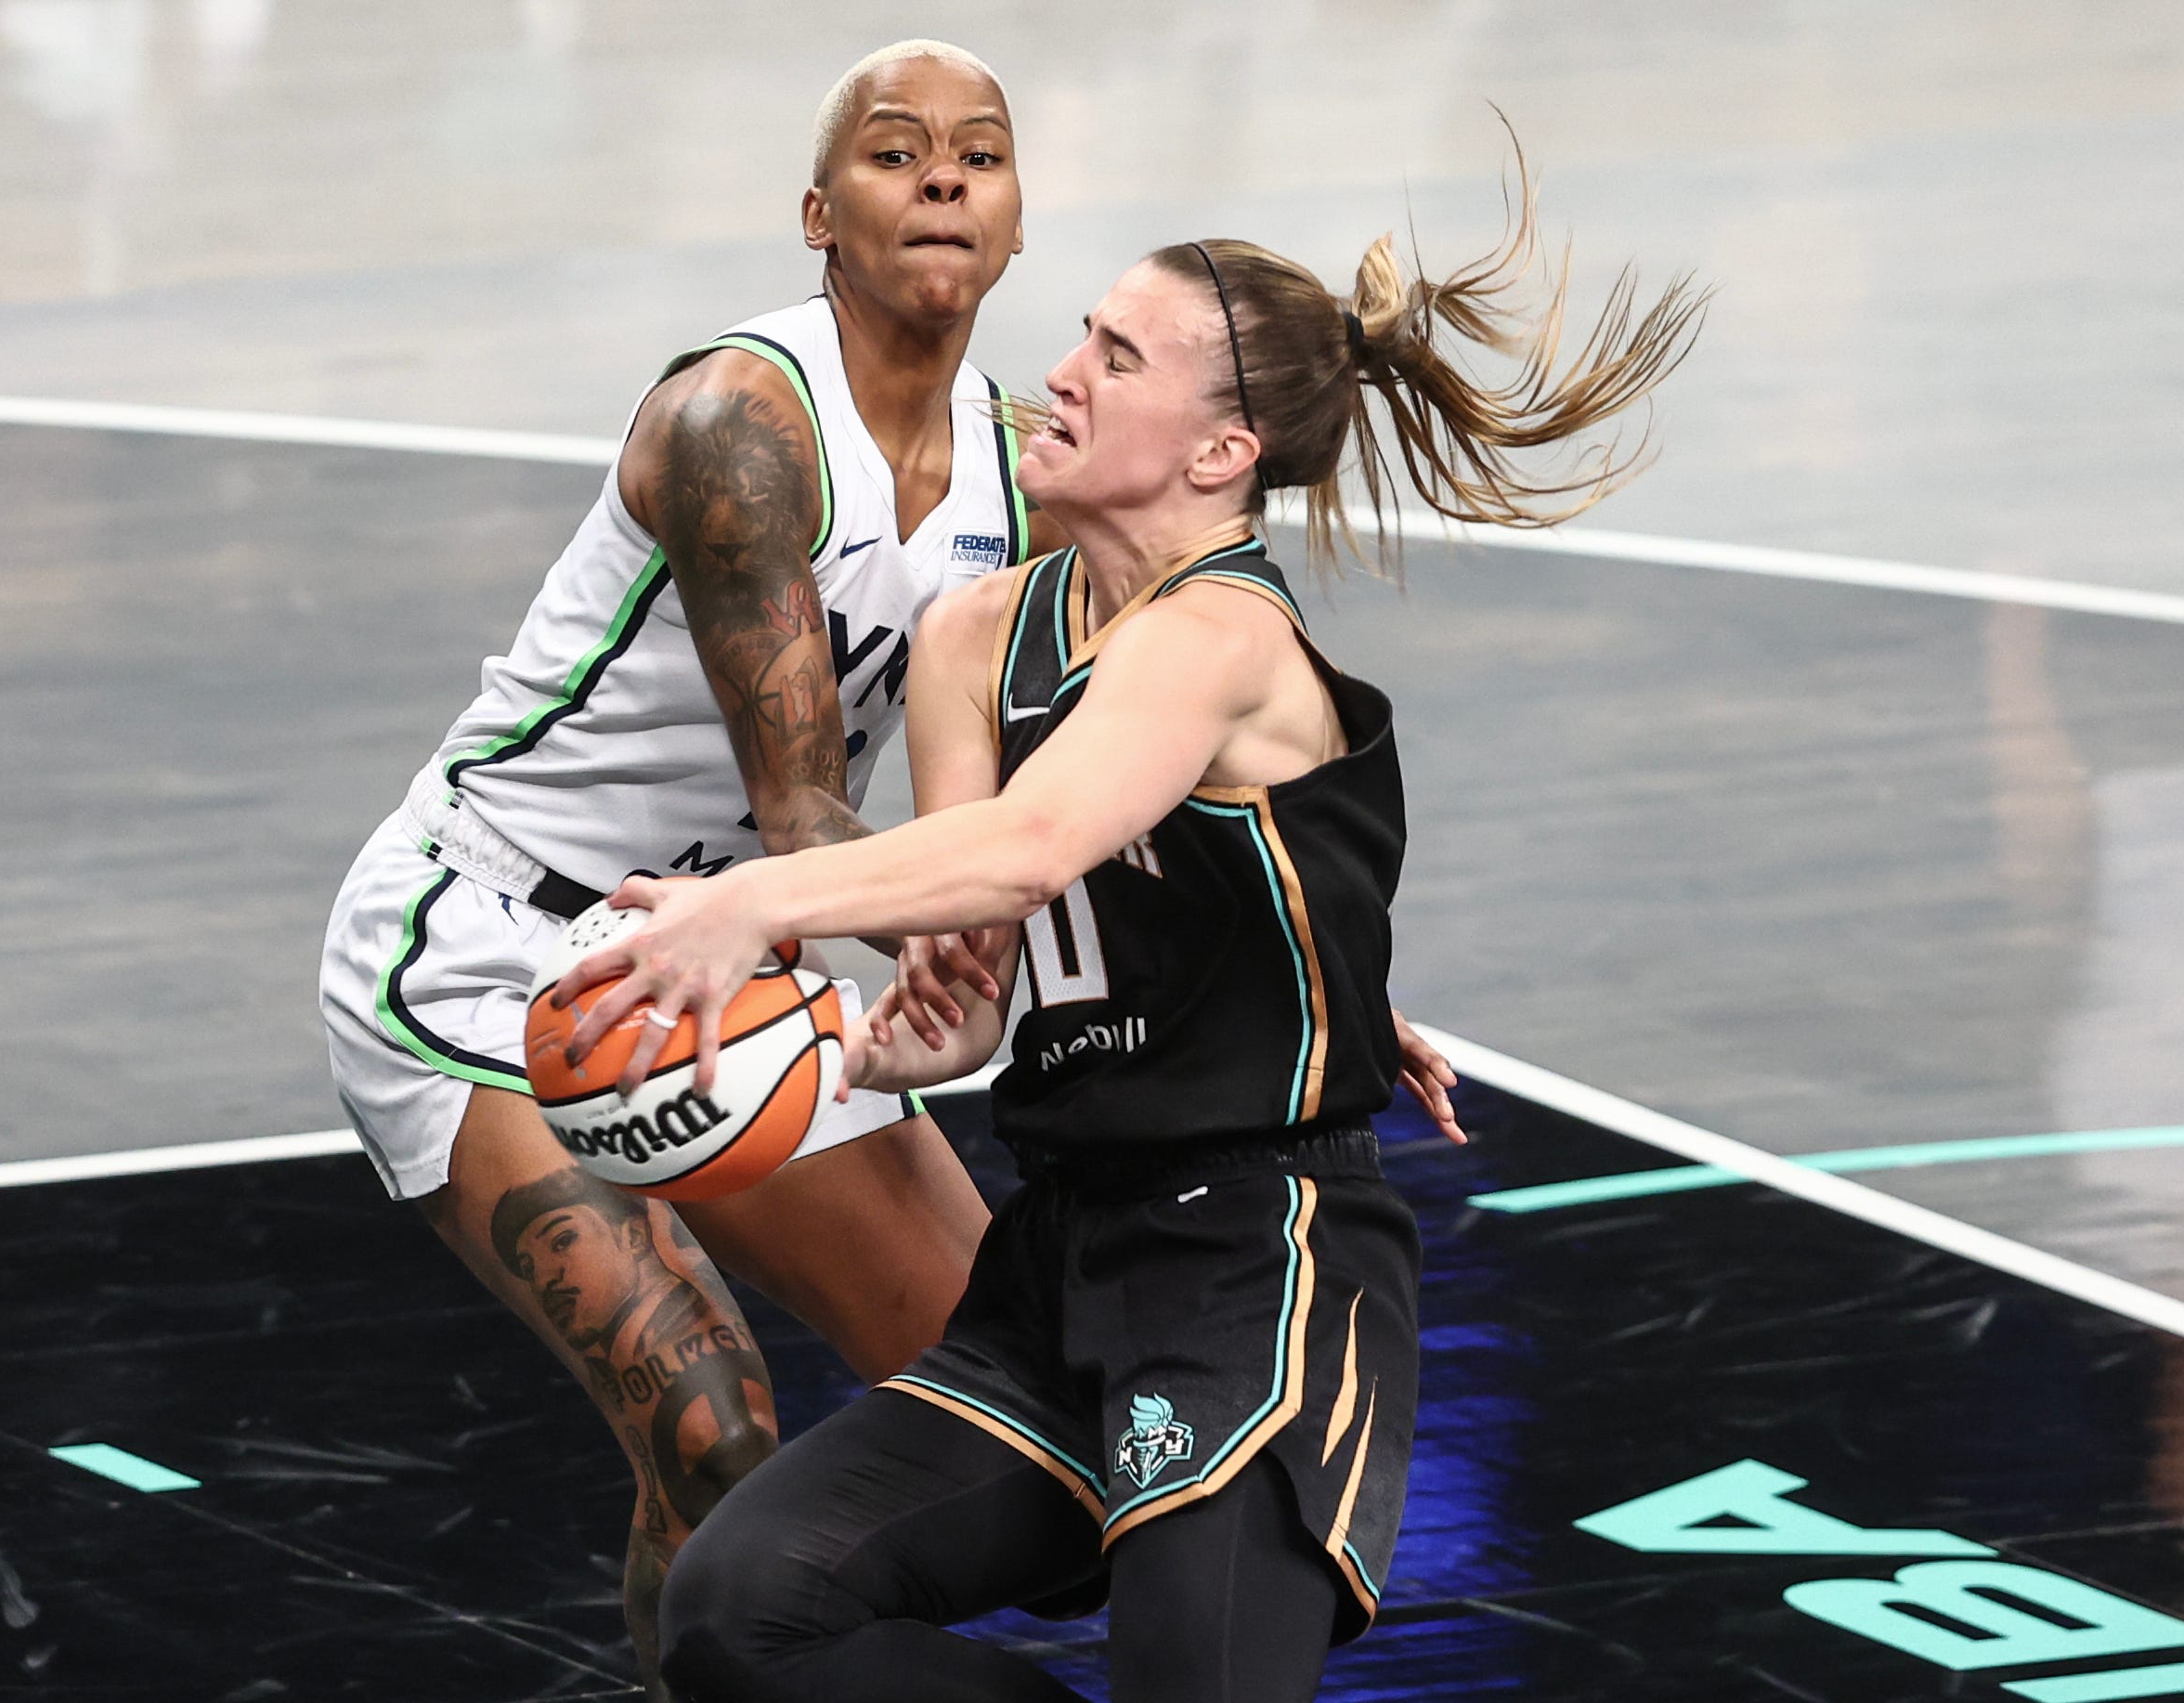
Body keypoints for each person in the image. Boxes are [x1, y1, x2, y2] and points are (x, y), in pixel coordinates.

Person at [322, 36, 1461, 1687]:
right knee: (713, 1428)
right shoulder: (746, 430)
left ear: (1010, 227)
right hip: (505, 945)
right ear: (816, 214)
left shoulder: (1041, 479)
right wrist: (844, 950)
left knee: (1059, 1511)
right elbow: (848, 833)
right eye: (895, 151)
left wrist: (1322, 986)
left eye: (979, 156)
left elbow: (1121, 797)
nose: (940, 176)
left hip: (752, 957)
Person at [552, 152, 1704, 1701]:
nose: (1059, 373)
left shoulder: (1221, 638)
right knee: (742, 1610)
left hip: (1257, 1265)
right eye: (1081, 335)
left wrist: (750, 899)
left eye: (1115, 355)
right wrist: (907, 1032)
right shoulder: (981, 634)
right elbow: (982, 950)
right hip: (1056, 1265)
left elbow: (1027, 843)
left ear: (1223, 448)